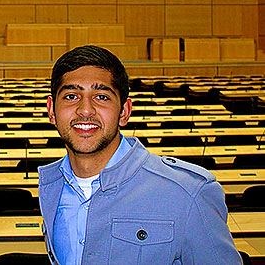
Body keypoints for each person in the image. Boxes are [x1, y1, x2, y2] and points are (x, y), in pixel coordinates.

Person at [38, 45, 243, 265]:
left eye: (101, 97)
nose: (85, 109)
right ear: (51, 111)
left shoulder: (189, 193)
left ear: (124, 112)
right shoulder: (52, 188)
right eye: (71, 96)